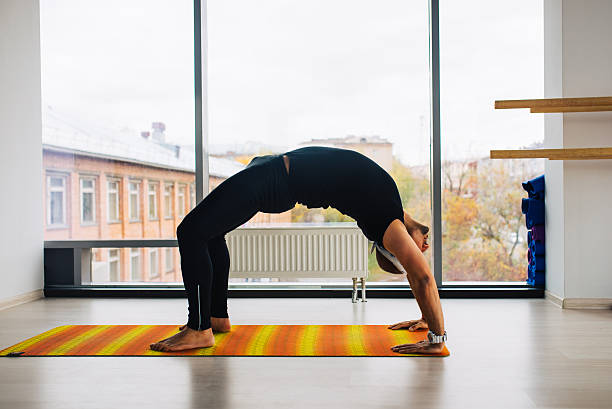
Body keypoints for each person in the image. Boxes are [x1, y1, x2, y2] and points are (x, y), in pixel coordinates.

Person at [150, 146, 446, 354]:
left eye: (417, 251)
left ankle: (199, 330)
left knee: (190, 232)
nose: (424, 248)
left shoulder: (387, 223)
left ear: (390, 247)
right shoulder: (393, 208)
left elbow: (421, 277)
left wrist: (436, 337)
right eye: (423, 246)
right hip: (272, 172)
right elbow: (417, 271)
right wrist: (425, 318)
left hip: (275, 179)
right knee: (210, 232)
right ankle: (215, 319)